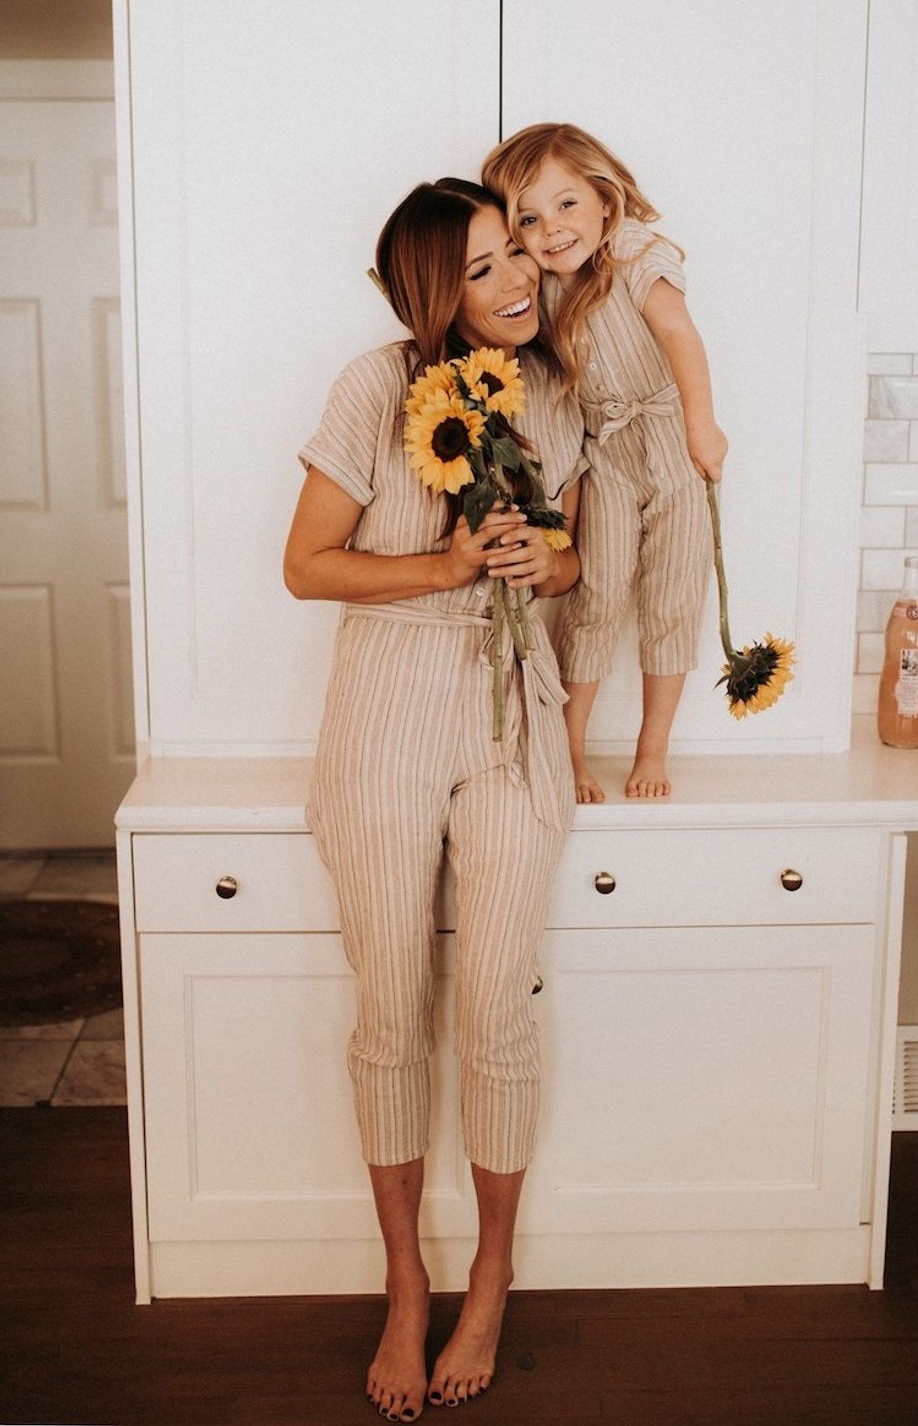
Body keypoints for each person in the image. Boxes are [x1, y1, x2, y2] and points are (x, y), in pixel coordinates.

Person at [283, 177, 585, 1421]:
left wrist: (542, 557)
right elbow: (306, 566)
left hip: (515, 708)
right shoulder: (373, 384)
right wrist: (444, 564)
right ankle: (405, 1284)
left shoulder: (559, 391)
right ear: (427, 292)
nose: (513, 276)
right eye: (477, 267)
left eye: (513, 248)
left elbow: (573, 559)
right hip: (388, 710)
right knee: (389, 1007)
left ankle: (493, 1273)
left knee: (499, 1005)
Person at [482, 122, 727, 802]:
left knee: (673, 599)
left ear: (603, 195)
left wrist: (703, 428)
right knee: (597, 596)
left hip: (673, 444)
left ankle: (653, 748)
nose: (551, 229)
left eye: (565, 204)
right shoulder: (543, 285)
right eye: (528, 219)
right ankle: (569, 748)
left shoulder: (633, 253)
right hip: (608, 457)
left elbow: (680, 335)